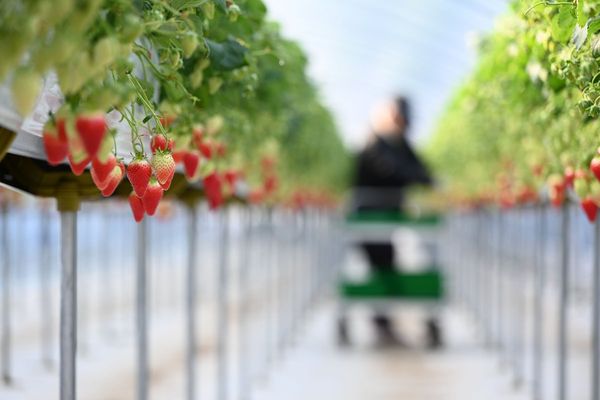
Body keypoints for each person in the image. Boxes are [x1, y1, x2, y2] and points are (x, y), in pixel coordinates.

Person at [342, 96, 435, 347]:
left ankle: (383, 321)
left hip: (388, 218)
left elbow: (420, 168)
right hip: (368, 218)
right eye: (400, 119)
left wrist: (428, 179)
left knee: (386, 262)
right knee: (379, 264)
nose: (403, 125)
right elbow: (392, 170)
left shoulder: (400, 144)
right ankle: (381, 322)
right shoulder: (374, 144)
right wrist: (420, 179)